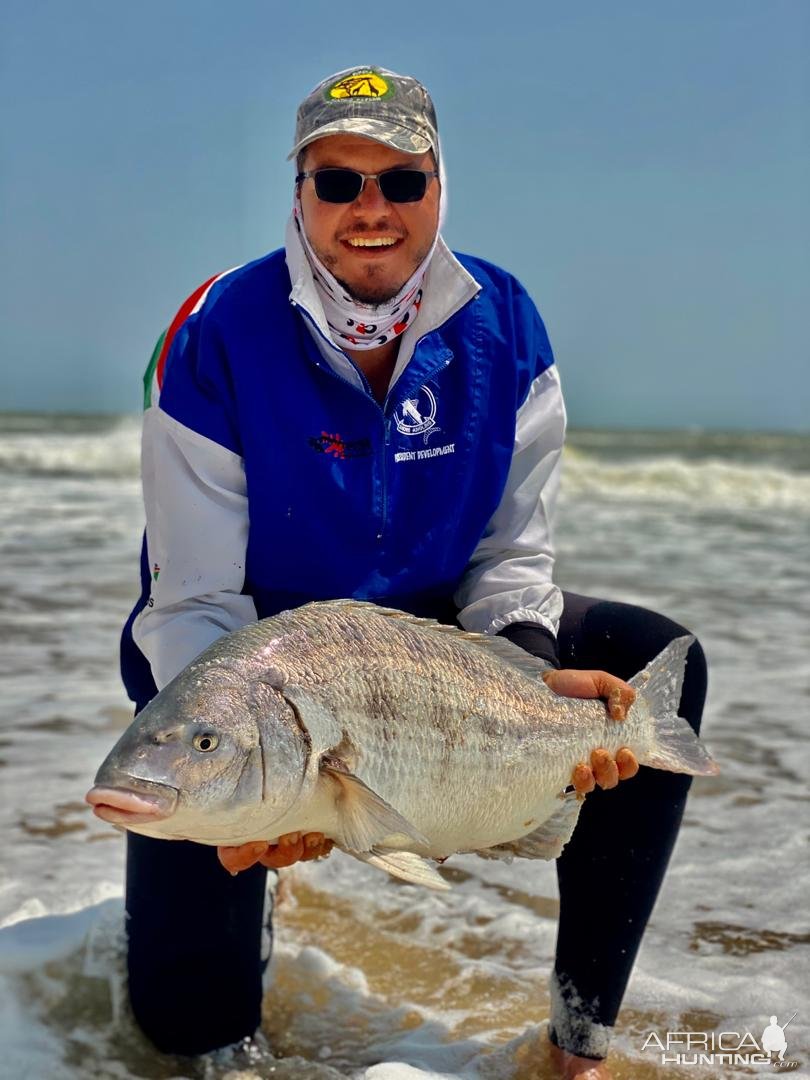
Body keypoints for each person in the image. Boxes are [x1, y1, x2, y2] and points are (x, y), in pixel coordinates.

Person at [120, 65, 707, 1078]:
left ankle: (580, 1040)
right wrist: (269, 787)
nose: (371, 210)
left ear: (442, 188)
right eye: (337, 182)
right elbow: (196, 598)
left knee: (648, 664)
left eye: (403, 180)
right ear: (297, 194)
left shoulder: (510, 325)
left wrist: (527, 678)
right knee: (187, 1037)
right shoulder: (214, 333)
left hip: (436, 629)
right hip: (262, 649)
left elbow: (512, 561)